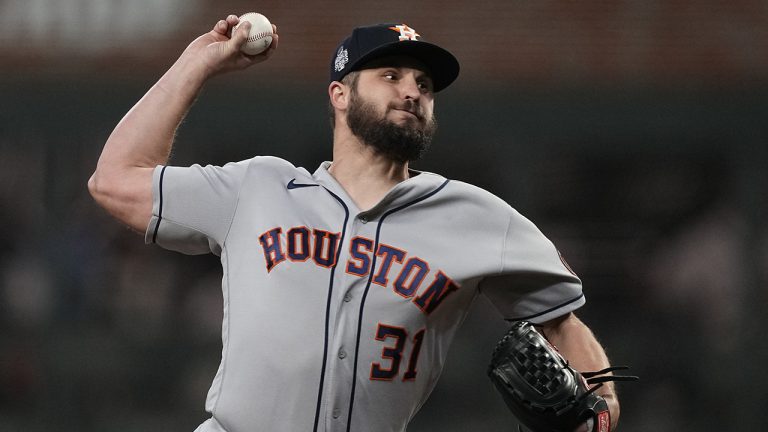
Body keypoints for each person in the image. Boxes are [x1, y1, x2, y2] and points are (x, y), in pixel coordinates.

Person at [89, 14, 622, 432]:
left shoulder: (476, 217)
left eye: (424, 84)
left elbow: (563, 321)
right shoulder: (258, 188)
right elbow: (114, 179)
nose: (412, 91)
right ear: (339, 94)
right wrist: (197, 63)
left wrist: (601, 409)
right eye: (390, 76)